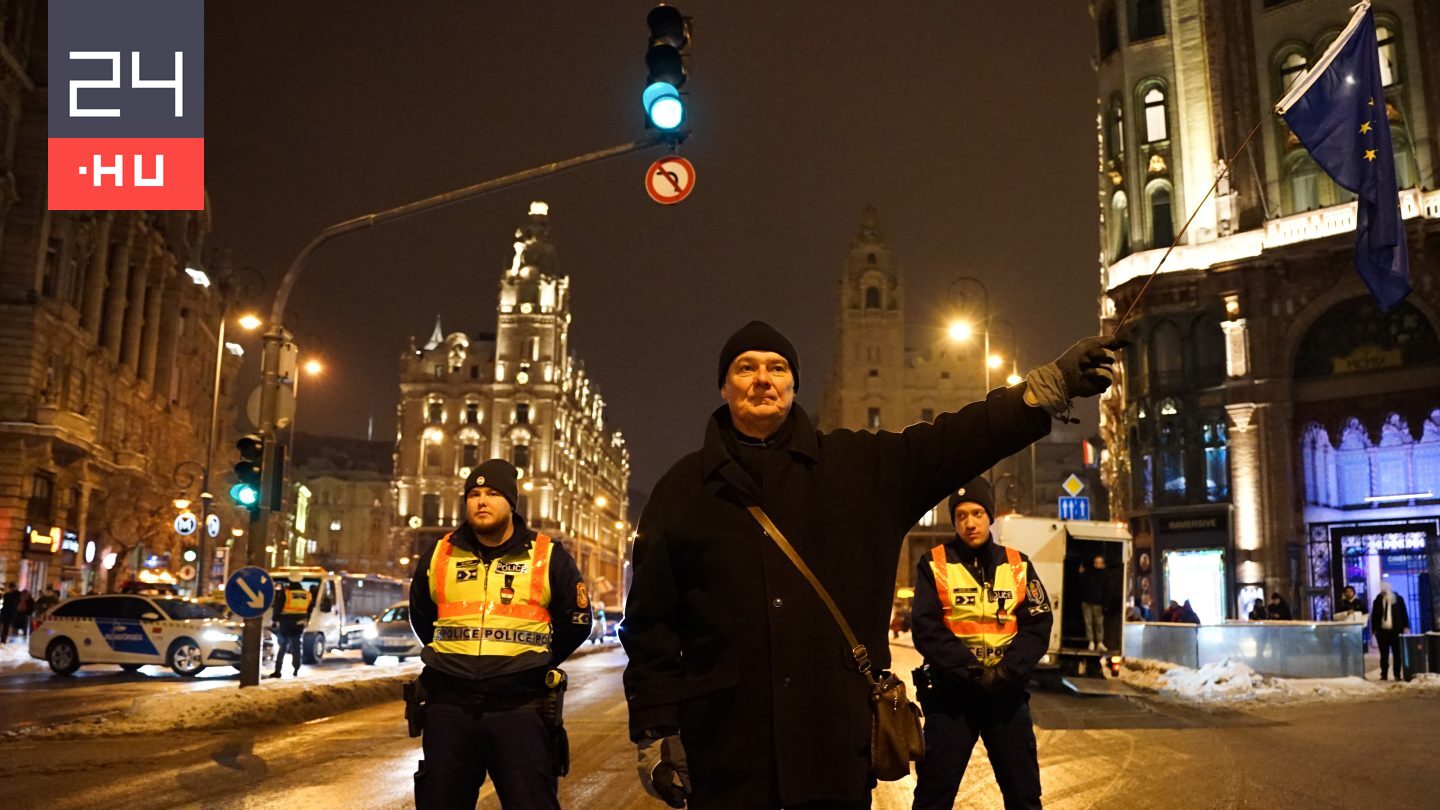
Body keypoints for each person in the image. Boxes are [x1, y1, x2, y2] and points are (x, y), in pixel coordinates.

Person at [620, 320, 1122, 809]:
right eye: (746, 368)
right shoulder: (683, 490)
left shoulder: (856, 468)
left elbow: (956, 440)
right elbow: (651, 626)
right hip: (728, 755)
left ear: (794, 384)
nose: (762, 379)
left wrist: (1045, 388)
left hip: (832, 753)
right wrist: (654, 730)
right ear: (725, 386)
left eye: (776, 368)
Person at [408, 459, 592, 809]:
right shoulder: (439, 554)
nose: (481, 501)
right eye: (474, 494)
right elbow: (422, 616)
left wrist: (538, 663)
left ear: (511, 502)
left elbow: (578, 621)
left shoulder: (547, 556)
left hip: (520, 709)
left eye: (493, 494)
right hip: (450, 707)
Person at [911, 477, 1053, 810]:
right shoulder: (933, 564)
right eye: (961, 515)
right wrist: (973, 673)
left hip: (1005, 696)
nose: (970, 523)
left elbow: (1038, 624)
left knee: (1024, 795)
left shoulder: (1018, 564)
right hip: (952, 698)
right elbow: (926, 628)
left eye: (976, 513)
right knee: (933, 796)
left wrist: (1006, 674)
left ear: (990, 516)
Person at [269, 579, 315, 678]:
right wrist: (306, 620)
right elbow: (310, 609)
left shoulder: (286, 593)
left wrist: (274, 620)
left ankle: (278, 671)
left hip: (286, 622)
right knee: (297, 646)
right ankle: (296, 669)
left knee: (283, 647)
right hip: (300, 623)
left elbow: (278, 607)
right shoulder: (307, 595)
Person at [1371, 581, 1409, 681]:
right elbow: (1374, 616)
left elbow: (1403, 613)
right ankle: (1384, 674)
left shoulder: (1398, 599)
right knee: (1384, 654)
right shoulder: (1377, 601)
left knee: (1397, 653)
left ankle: (1397, 674)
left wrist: (1406, 626)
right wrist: (1374, 629)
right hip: (1382, 631)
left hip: (1396, 630)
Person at [1076, 555, 1110, 651]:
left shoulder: (1106, 575)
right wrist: (1081, 574)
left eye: (1099, 562)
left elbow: (1108, 590)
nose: (1097, 564)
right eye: (1096, 562)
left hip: (1099, 603)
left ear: (1103, 564)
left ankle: (1099, 642)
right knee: (1088, 623)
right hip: (1087, 602)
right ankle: (1090, 641)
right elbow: (1081, 584)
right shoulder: (1088, 573)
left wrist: (1106, 604)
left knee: (1099, 623)